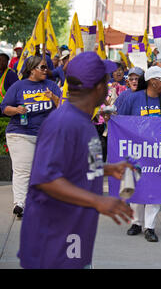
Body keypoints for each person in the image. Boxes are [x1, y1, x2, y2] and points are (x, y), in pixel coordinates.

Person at [17, 51, 134, 269]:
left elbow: (79, 165)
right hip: (53, 242)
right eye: (106, 79)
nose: (109, 84)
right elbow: (47, 179)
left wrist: (108, 169)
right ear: (98, 87)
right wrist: (99, 201)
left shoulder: (82, 120)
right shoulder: (64, 122)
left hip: (73, 234)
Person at [118, 65, 161, 242]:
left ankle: (149, 227)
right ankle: (136, 222)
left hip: (159, 152)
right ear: (153, 81)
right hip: (136, 152)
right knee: (136, 187)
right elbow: (120, 121)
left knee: (155, 189)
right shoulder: (133, 99)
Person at [0, 56, 61, 218]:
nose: (45, 70)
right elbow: (4, 108)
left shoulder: (51, 86)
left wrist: (53, 98)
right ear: (32, 69)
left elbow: (64, 107)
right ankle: (20, 203)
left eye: (46, 67)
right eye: (42, 67)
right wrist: (17, 110)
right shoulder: (18, 86)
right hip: (21, 133)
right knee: (23, 169)